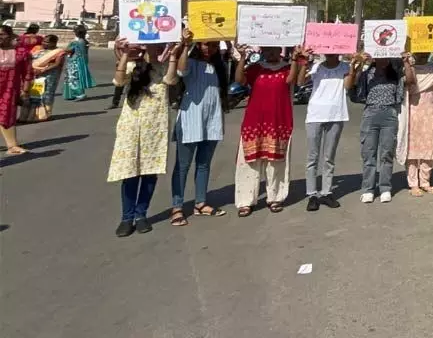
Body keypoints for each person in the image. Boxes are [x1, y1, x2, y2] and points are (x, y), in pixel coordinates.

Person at [108, 39, 179, 236]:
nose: (148, 51)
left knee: (149, 172)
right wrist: (124, 54)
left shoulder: (162, 67)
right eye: (144, 48)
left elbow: (172, 81)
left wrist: (173, 54)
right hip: (131, 126)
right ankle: (126, 217)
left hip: (155, 128)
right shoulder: (131, 66)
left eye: (153, 47)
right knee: (130, 172)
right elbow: (119, 81)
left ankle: (141, 214)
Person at [232, 45, 302, 216]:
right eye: (267, 50)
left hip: (279, 122)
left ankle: (275, 198)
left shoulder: (287, 68)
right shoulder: (256, 68)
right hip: (254, 123)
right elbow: (239, 80)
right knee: (249, 163)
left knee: (276, 162)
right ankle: (245, 201)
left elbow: (290, 81)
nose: (270, 53)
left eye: (274, 50)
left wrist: (294, 59)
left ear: (280, 50)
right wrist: (242, 58)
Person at [169, 33, 229, 225]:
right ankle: (177, 207)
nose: (208, 49)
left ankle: (200, 203)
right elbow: (181, 71)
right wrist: (186, 46)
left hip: (211, 121)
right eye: (204, 44)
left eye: (212, 45)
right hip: (190, 119)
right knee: (182, 166)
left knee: (203, 164)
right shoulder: (191, 62)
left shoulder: (219, 67)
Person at [299, 49, 358, 211]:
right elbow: (300, 82)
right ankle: (312, 194)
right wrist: (304, 63)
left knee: (328, 157)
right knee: (312, 157)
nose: (330, 54)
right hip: (315, 115)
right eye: (327, 51)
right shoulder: (316, 66)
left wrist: (353, 66)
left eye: (334, 51)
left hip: (336, 114)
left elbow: (347, 86)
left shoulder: (345, 66)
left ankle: (326, 192)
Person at [400, 52, 433, 197]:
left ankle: (425, 182)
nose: (423, 54)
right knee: (412, 149)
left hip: (430, 110)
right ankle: (413, 183)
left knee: (428, 147)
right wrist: (408, 64)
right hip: (413, 111)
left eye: (426, 51)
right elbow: (410, 85)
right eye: (420, 51)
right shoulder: (408, 68)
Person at [359, 56, 403, 203]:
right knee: (369, 153)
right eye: (380, 57)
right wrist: (357, 64)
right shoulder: (366, 74)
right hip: (370, 112)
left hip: (389, 114)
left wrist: (407, 62)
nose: (383, 60)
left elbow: (400, 94)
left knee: (387, 153)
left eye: (386, 57)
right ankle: (368, 189)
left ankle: (385, 187)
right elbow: (356, 91)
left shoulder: (395, 74)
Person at [0, 25, 32, 155]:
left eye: (2, 34)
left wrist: (25, 92)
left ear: (12, 36)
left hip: (8, 90)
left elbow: (28, 74)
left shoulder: (22, 53)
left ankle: (12, 146)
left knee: (7, 116)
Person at [28, 34, 67, 121]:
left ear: (54, 43)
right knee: (35, 94)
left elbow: (56, 64)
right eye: (43, 41)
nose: (44, 43)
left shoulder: (59, 52)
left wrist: (42, 70)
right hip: (35, 74)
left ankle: (45, 114)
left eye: (47, 42)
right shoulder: (37, 50)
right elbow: (29, 59)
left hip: (50, 76)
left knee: (47, 94)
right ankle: (33, 114)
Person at [62, 24, 94, 102]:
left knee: (73, 78)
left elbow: (69, 50)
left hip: (74, 61)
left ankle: (79, 94)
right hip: (82, 61)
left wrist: (61, 50)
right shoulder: (85, 41)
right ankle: (74, 94)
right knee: (77, 77)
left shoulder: (76, 43)